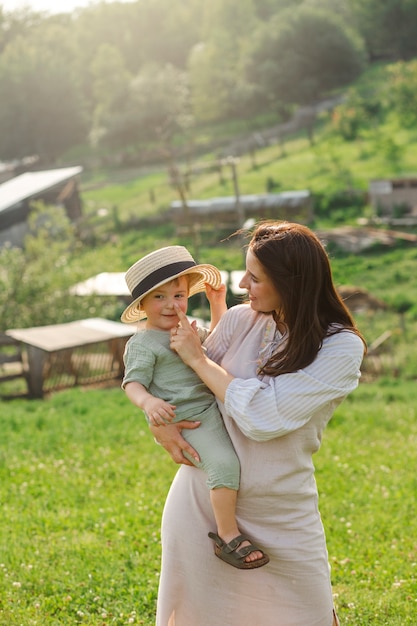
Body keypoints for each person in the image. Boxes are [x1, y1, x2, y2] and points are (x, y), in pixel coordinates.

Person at [150, 222, 367, 626]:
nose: (243, 284)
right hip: (205, 506)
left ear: (292, 283)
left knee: (308, 614)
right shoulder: (237, 320)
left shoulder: (339, 347)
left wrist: (200, 360)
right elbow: (184, 386)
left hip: (281, 508)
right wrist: (158, 421)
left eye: (256, 277)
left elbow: (265, 418)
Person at [120, 245, 270, 570]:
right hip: (190, 421)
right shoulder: (142, 344)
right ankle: (228, 536)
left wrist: (218, 303)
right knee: (224, 464)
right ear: (142, 304)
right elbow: (132, 383)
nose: (171, 305)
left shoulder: (186, 328)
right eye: (159, 298)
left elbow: (216, 343)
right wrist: (149, 403)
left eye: (178, 295)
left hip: (212, 409)